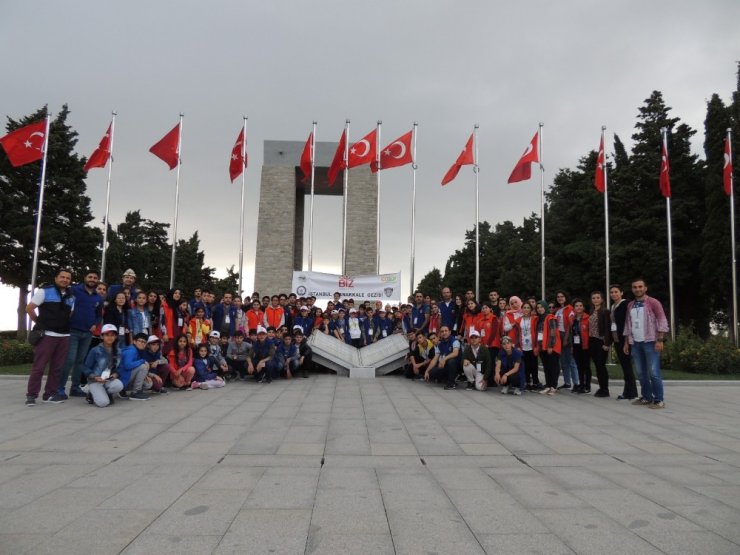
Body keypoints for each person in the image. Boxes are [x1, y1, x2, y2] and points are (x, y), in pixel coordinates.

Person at [25, 268, 76, 406]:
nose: (65, 279)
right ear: (56, 278)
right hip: (46, 335)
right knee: (39, 367)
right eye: (62, 277)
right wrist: (40, 323)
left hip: (64, 335)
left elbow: (69, 314)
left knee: (57, 368)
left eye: (68, 278)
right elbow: (29, 308)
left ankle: (49, 395)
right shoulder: (44, 291)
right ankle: (31, 395)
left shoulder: (71, 296)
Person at [623, 278, 670, 409]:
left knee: (654, 372)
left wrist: (660, 340)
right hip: (636, 343)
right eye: (634, 287)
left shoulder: (653, 302)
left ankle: (659, 400)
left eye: (640, 286)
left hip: (650, 342)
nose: (637, 289)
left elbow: (662, 320)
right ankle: (646, 397)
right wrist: (627, 342)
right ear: (632, 289)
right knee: (641, 372)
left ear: (645, 288)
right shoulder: (630, 305)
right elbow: (628, 323)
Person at [58, 269, 103, 399]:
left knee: (80, 361)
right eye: (90, 277)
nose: (92, 279)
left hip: (87, 333)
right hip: (72, 331)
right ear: (85, 278)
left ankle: (75, 387)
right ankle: (60, 388)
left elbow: (99, 315)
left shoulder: (98, 297)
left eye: (95, 278)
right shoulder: (74, 290)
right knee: (69, 360)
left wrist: (95, 324)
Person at [83, 324, 125, 407]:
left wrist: (116, 374)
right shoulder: (95, 350)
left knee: (119, 385)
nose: (110, 337)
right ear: (102, 336)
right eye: (107, 335)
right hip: (95, 381)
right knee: (103, 403)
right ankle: (91, 393)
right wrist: (94, 377)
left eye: (112, 335)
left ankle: (104, 393)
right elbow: (85, 367)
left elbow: (120, 367)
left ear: (116, 336)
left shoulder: (119, 351)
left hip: (108, 380)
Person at [610, 284, 638, 400]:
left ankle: (629, 392)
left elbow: (629, 322)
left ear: (621, 293)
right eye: (611, 292)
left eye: (616, 292)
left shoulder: (626, 304)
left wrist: (627, 340)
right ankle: (630, 391)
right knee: (625, 366)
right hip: (617, 339)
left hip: (625, 340)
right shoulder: (613, 306)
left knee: (627, 366)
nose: (613, 294)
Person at [589, 291, 613, 398]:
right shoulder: (591, 311)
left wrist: (607, 343)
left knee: (601, 365)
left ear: (602, 299)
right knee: (597, 366)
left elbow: (608, 328)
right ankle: (601, 387)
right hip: (592, 341)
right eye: (593, 298)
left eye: (598, 298)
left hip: (601, 342)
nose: (595, 300)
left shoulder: (605, 311)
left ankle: (605, 389)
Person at [535, 300, 561, 395]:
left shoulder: (550, 318)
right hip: (543, 346)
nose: (539, 309)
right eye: (538, 308)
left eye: (541, 307)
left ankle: (553, 386)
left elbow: (553, 332)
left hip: (551, 346)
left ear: (545, 307)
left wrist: (550, 345)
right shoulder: (539, 319)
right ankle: (548, 385)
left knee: (553, 367)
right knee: (546, 367)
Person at [555, 290, 579, 391]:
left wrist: (566, 338)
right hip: (559, 336)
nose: (560, 298)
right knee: (563, 361)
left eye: (562, 296)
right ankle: (567, 382)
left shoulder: (569, 309)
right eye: (558, 297)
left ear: (566, 297)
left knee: (571, 361)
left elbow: (570, 324)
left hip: (567, 336)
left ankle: (576, 383)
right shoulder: (558, 309)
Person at [119, 333, 152, 400]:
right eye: (141, 341)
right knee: (143, 366)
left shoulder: (138, 351)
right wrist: (142, 361)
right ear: (134, 341)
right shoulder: (131, 350)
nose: (143, 344)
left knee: (148, 384)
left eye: (144, 342)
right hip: (122, 379)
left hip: (127, 377)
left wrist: (145, 375)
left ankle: (124, 391)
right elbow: (127, 365)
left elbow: (135, 366)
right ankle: (135, 392)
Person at [518, 302, 542, 390]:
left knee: (534, 365)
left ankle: (535, 382)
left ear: (531, 310)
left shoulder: (535, 319)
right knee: (525, 365)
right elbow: (517, 333)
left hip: (533, 345)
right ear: (522, 309)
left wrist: (537, 345)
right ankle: (527, 382)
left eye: (528, 308)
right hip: (523, 345)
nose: (526, 309)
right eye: (524, 307)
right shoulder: (518, 320)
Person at [430, 325, 461, 390]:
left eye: (446, 331)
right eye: (442, 331)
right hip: (445, 364)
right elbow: (435, 358)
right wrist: (427, 371)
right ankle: (447, 378)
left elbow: (455, 353)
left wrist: (444, 359)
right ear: (440, 334)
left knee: (451, 361)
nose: (444, 333)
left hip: (457, 365)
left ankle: (451, 383)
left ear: (449, 332)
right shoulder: (440, 344)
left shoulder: (455, 341)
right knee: (432, 373)